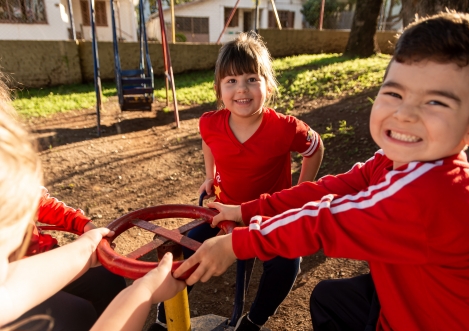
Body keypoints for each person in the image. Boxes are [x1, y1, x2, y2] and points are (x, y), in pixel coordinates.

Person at [175, 12, 469, 331]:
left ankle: (255, 320)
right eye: (395, 93)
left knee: (309, 281)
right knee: (330, 299)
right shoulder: (391, 162)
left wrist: (236, 244)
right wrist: (244, 210)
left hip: (450, 320)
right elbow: (324, 192)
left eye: (437, 102)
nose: (405, 114)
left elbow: (323, 221)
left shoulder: (433, 192)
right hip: (411, 296)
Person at [155, 32, 324, 330]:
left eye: (251, 79)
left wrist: (300, 192)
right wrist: (210, 175)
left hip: (270, 214)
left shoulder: (285, 129)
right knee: (186, 249)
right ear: (219, 89)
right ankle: (164, 318)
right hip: (224, 209)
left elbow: (315, 147)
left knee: (287, 263)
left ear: (268, 86)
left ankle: (254, 320)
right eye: (231, 81)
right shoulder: (211, 122)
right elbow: (208, 142)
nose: (241, 89)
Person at [0, 77, 186, 331]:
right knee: (77, 314)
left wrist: (84, 231)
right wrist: (145, 291)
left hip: (33, 266)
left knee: (105, 277)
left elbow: (36, 202)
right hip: (20, 289)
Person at [6, 186, 128, 331]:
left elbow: (33, 200)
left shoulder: (9, 173)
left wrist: (83, 223)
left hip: (42, 255)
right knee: (77, 314)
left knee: (109, 280)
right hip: (11, 279)